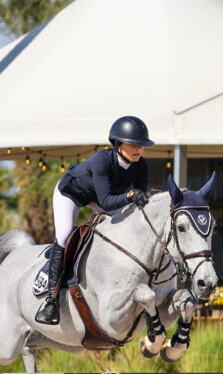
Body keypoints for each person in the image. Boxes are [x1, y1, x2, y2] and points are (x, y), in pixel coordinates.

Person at [36, 115, 153, 325]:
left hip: (99, 197)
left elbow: (139, 199)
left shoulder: (140, 165)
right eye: (134, 144)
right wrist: (130, 196)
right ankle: (50, 302)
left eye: (142, 145)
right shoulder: (102, 160)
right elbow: (107, 202)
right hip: (71, 193)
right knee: (63, 235)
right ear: (118, 144)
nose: (139, 149)